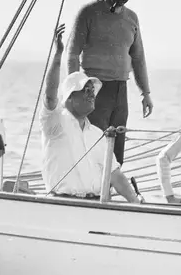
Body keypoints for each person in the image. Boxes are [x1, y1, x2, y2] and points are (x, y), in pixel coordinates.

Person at [41, 23, 142, 203]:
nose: (91, 93)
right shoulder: (56, 123)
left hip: (96, 206)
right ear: (69, 98)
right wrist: (58, 55)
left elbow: (116, 176)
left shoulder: (98, 134)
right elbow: (50, 96)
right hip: (63, 205)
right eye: (85, 89)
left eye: (92, 90)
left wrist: (136, 204)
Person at [66, 0, 153, 166]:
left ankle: (109, 194)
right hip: (93, 90)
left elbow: (138, 57)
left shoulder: (132, 18)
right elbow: (72, 54)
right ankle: (88, 194)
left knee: (115, 153)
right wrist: (74, 90)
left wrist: (145, 93)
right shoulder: (88, 13)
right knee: (92, 149)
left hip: (120, 92)